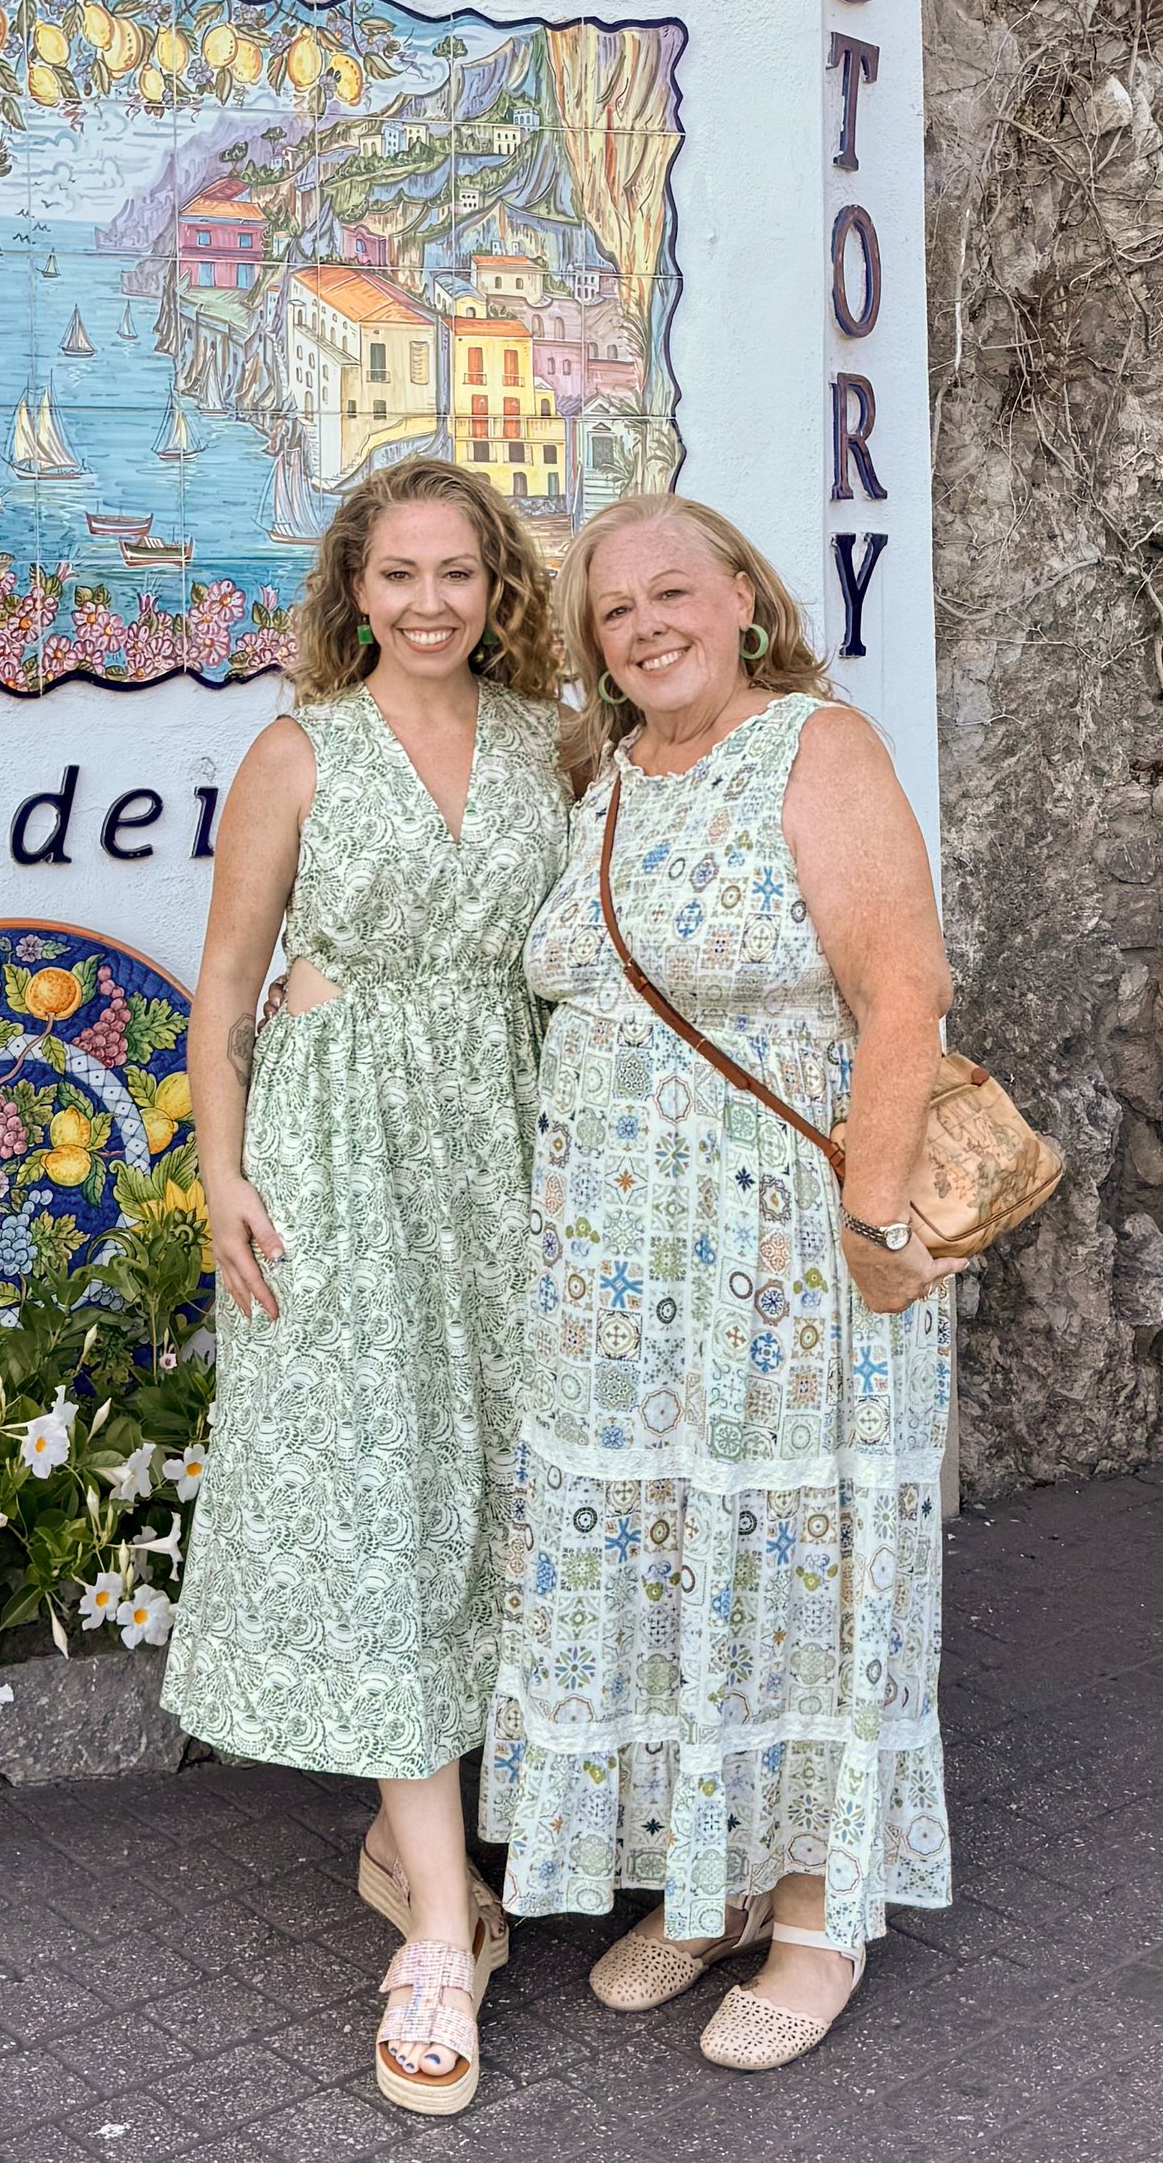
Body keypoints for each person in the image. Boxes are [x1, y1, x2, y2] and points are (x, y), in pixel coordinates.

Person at [482, 491, 953, 2071]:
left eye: (671, 592)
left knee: (805, 1558)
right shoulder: (608, 774)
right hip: (623, 1284)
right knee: (689, 1559)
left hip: (788, 1256)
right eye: (613, 612)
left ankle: (818, 1906)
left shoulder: (817, 747)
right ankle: (716, 1871)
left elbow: (906, 989)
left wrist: (878, 1223)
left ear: (744, 595)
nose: (644, 626)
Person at [162, 461, 569, 2120]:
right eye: (396, 573)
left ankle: (426, 1855)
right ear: (352, 590)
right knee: (390, 1497)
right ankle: (437, 1939)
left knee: (516, 1488)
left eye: (457, 572)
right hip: (343, 1155)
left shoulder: (558, 741)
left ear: (497, 587)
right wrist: (221, 1175)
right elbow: (224, 981)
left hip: (523, 1140)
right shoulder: (296, 751)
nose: (427, 601)